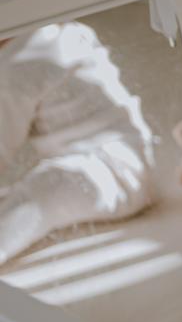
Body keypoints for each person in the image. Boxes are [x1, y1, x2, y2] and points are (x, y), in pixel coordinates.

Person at [0, 22, 158, 266]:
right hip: (133, 157)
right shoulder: (63, 29)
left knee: (40, 194)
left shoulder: (14, 67)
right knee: (31, 190)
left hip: (106, 171)